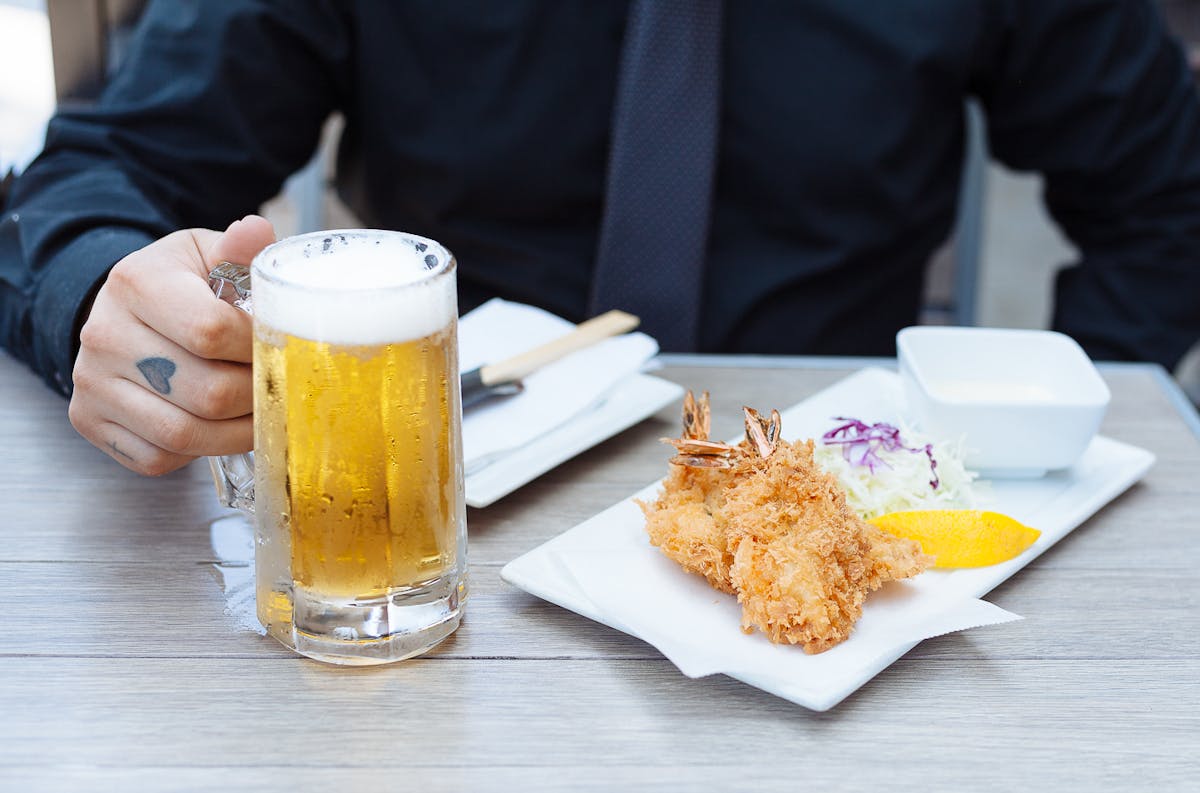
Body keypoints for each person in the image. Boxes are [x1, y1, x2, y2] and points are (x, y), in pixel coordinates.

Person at [2, 1, 1199, 476]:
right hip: (452, 484)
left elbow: (1171, 186)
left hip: (840, 482)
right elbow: (96, 174)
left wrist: (1026, 444)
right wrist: (107, 293)